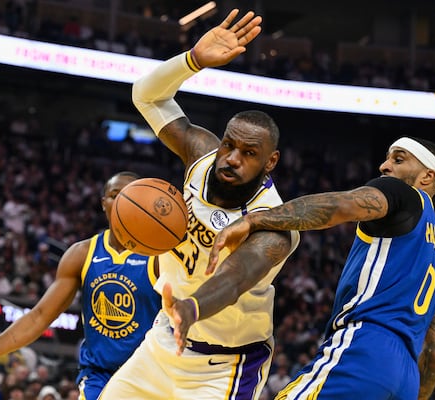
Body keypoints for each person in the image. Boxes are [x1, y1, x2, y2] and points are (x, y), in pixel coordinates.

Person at [99, 9, 300, 400]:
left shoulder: (274, 222)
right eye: (229, 144)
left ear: (269, 162)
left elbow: (235, 278)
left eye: (249, 153)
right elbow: (146, 94)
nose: (231, 158)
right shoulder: (201, 155)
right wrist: (191, 60)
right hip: (163, 340)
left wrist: (191, 309)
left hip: (224, 365)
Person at [207, 136, 435, 399]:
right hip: (406, 379)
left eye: (398, 159)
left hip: (366, 349)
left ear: (427, 177)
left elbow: (342, 205)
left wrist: (255, 219)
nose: (384, 166)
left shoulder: (404, 195)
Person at [0, 172, 162, 400]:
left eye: (130, 195)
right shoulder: (81, 254)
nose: (122, 201)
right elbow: (40, 316)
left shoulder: (161, 255)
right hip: (100, 376)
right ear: (104, 204)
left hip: (149, 373)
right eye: (114, 195)